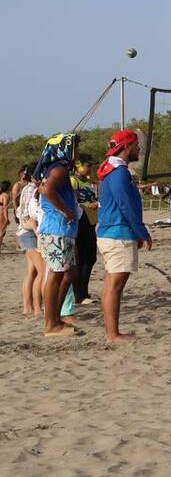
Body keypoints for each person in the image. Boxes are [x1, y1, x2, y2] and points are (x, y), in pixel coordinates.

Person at [95, 129, 152, 343]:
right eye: (136, 145)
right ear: (127, 147)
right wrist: (141, 231)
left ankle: (111, 332)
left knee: (111, 285)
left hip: (110, 232)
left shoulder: (110, 169)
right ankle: (113, 334)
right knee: (115, 286)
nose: (139, 148)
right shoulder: (119, 173)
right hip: (118, 233)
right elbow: (126, 205)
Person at [34, 133, 82, 337]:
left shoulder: (57, 168)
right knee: (55, 274)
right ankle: (50, 323)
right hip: (57, 230)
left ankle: (55, 317)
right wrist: (65, 211)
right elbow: (47, 190)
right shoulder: (59, 169)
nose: (77, 152)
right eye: (76, 148)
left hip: (62, 231)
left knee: (69, 272)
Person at [67, 155, 99, 306]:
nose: (90, 169)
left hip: (90, 221)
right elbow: (72, 202)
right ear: (78, 166)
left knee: (91, 258)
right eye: (87, 166)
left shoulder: (87, 181)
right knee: (82, 258)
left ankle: (84, 292)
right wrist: (87, 205)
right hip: (81, 221)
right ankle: (79, 295)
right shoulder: (73, 181)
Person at [15, 168, 44, 316]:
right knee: (41, 271)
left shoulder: (27, 188)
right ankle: (37, 307)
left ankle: (28, 307)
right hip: (30, 232)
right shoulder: (32, 189)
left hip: (25, 231)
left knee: (32, 272)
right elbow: (28, 215)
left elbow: (20, 212)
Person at [0, 180, 9, 254]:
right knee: (2, 232)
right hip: (1, 214)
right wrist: (6, 218)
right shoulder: (5, 196)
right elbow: (5, 208)